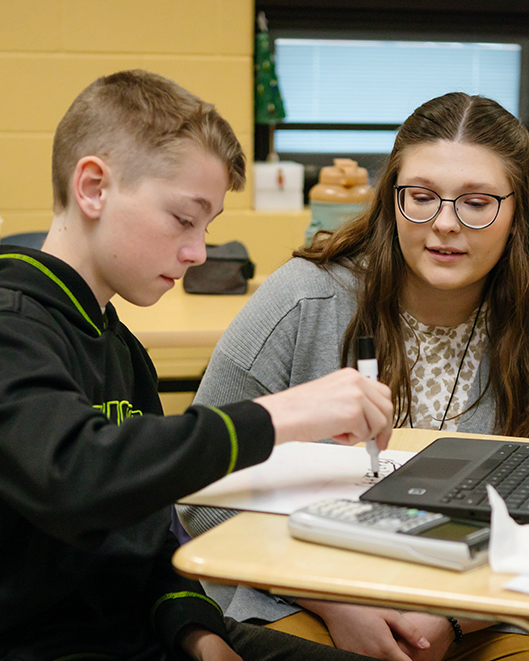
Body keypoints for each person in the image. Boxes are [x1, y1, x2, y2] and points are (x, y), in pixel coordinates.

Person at [0, 69, 402, 660]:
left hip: (144, 634)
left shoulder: (119, 347)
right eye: (184, 219)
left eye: (207, 227)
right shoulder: (13, 323)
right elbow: (76, 477)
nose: (196, 252)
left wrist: (198, 632)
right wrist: (282, 413)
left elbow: (151, 531)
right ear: (92, 187)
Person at [178, 92, 529, 661]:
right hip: (302, 596)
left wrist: (454, 614)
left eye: (476, 203)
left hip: (489, 608)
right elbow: (198, 487)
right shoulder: (304, 298)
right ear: (390, 197)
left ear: (519, 208)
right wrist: (334, 600)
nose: (445, 225)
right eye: (421, 197)